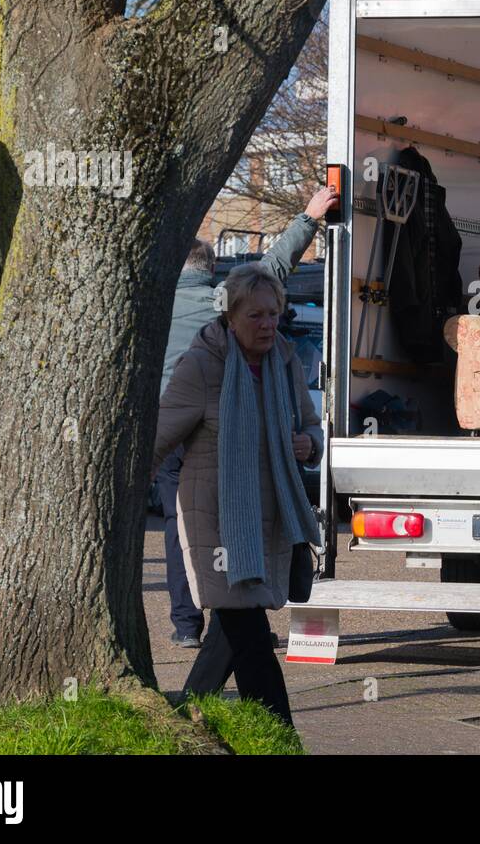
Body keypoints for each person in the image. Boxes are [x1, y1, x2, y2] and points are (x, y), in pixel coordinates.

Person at [156, 186, 337, 647]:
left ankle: (186, 624)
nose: (266, 322)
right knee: (234, 524)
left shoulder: (149, 306)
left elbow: (263, 284)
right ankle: (233, 620)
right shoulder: (222, 303)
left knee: (185, 528)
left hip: (175, 433)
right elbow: (272, 267)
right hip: (216, 434)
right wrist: (309, 217)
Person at [152, 263, 324, 729]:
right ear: (231, 316)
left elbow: (310, 425)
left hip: (269, 516)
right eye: (256, 316)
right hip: (217, 515)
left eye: (274, 314)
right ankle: (278, 733)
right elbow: (160, 437)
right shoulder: (202, 364)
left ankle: (182, 721)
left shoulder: (285, 359)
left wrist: (310, 444)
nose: (268, 324)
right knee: (245, 625)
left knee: (234, 624)